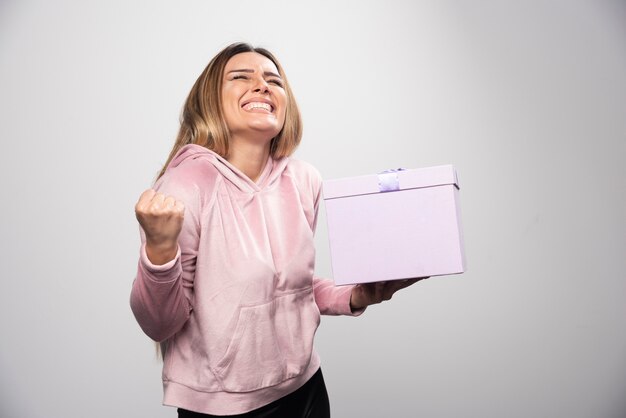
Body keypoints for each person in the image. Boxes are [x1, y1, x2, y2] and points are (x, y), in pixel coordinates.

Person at [130, 42, 425, 417]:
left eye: (273, 80)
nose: (262, 86)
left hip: (307, 388)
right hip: (225, 408)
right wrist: (159, 251)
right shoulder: (185, 186)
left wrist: (355, 295)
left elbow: (292, 288)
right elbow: (160, 324)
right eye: (241, 77)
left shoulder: (304, 180)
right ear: (209, 101)